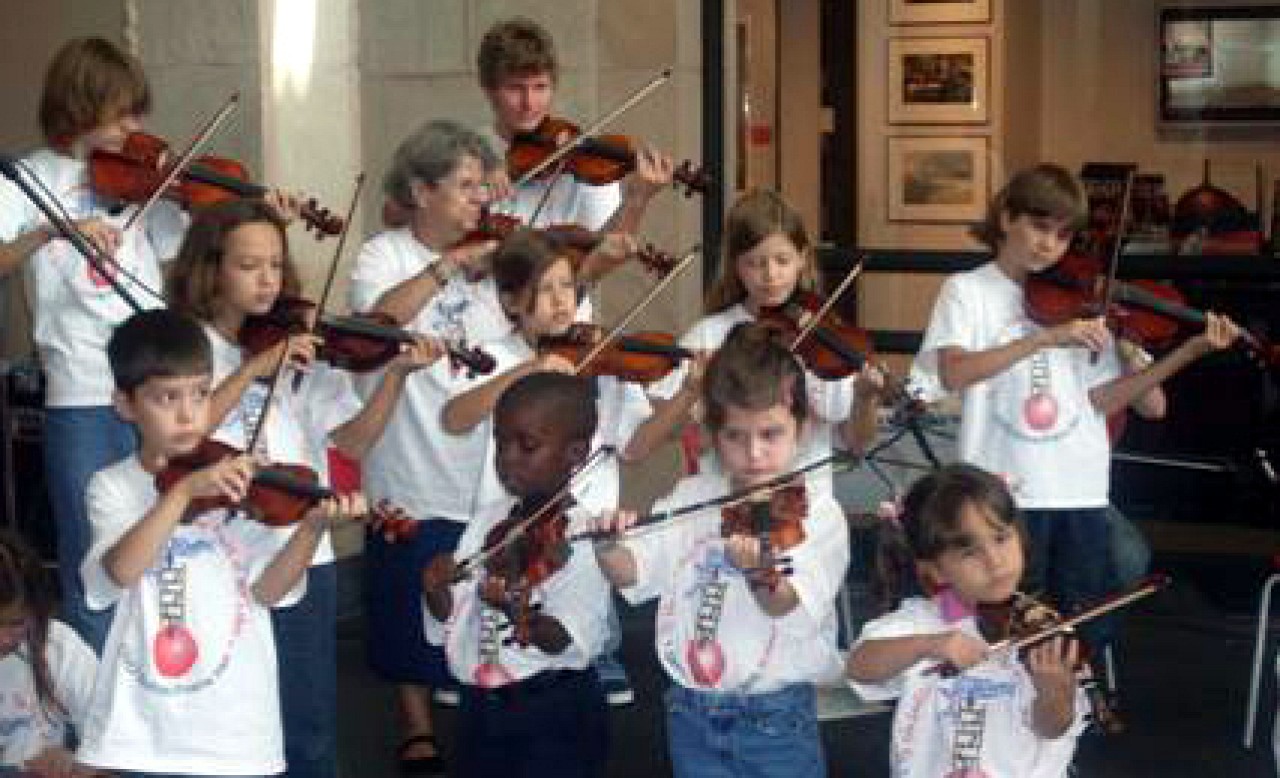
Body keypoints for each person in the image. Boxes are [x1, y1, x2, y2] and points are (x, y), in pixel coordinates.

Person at [909, 163, 1239, 648]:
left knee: (1080, 636)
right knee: (1006, 634)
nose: (1050, 246)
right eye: (1040, 227)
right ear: (1006, 218)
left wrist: (1186, 352)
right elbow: (954, 372)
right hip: (1002, 498)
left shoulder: (1084, 302)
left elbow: (1112, 402)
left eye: (1063, 236)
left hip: (1079, 490)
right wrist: (1043, 340)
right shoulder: (968, 291)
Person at [165, 198, 440, 778]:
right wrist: (252, 370)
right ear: (210, 270)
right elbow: (182, 438)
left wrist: (394, 378)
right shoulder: (182, 346)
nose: (268, 279)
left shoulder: (300, 349)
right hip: (219, 562)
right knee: (229, 727)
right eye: (248, 266)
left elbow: (355, 443)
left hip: (302, 554)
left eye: (274, 264)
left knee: (308, 727)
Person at [78, 308, 365, 777]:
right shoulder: (113, 487)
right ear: (125, 405)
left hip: (236, 724)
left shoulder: (238, 481)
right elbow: (119, 572)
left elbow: (268, 592)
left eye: (200, 393)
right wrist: (185, 493)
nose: (189, 414)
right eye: (166, 398)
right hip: (142, 728)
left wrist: (310, 532)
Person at [592, 323, 849, 777]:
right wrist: (608, 544)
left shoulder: (817, 514)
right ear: (711, 432)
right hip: (691, 712)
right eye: (735, 436)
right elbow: (631, 571)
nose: (753, 453)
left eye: (771, 434)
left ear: (801, 428)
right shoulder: (693, 497)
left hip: (776, 718)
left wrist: (760, 573)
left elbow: (785, 602)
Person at [0, 37, 183, 651]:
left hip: (156, 385)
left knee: (161, 542)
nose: (135, 128)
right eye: (122, 113)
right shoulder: (30, 178)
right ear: (80, 106)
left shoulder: (143, 181)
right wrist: (51, 229)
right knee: (91, 555)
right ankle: (98, 717)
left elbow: (180, 267)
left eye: (138, 113)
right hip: (80, 387)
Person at [347, 119, 507, 775]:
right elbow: (375, 324)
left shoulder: (496, 257)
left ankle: (485, 703)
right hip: (409, 463)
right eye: (464, 185)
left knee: (482, 599)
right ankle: (415, 724)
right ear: (420, 190)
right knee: (403, 602)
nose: (478, 198)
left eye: (481, 185)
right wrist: (446, 269)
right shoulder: (381, 255)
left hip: (486, 467)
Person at [440, 229, 649, 704]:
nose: (562, 301)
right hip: (506, 512)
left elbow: (637, 443)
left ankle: (592, 658)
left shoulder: (598, 355)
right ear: (511, 302)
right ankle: (484, 658)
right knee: (502, 592)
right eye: (546, 289)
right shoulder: (492, 353)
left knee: (572, 611)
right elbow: (454, 418)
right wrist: (527, 371)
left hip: (583, 512)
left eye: (569, 287)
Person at [632, 188, 884, 496]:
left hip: (807, 505)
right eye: (755, 263)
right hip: (722, 501)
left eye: (782, 260)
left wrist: (864, 399)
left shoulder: (824, 338)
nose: (771, 275)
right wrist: (691, 392)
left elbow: (856, 443)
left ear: (802, 259)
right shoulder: (709, 334)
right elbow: (655, 438)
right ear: (736, 266)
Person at [422, 371, 611, 777]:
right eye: (500, 444)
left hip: (551, 708)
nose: (507, 458)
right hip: (481, 701)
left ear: (576, 453)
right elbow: (453, 616)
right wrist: (437, 592)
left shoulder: (580, 534)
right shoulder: (488, 523)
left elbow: (565, 638)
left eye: (527, 447)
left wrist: (515, 611)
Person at [846, 463, 1088, 777]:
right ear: (935, 570)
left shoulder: (1042, 631)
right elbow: (859, 666)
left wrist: (1054, 691)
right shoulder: (922, 621)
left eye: (1001, 538)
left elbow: (1052, 728)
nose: (995, 561)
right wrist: (930, 644)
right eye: (970, 553)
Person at [475, 16, 673, 285]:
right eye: (515, 88)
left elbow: (599, 262)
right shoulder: (468, 152)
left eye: (540, 87)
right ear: (489, 90)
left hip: (566, 314)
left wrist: (638, 200)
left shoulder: (584, 160)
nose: (529, 103)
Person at [0, 531, 97, 776]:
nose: (3, 639)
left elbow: (114, 746)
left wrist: (79, 765)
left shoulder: (58, 647)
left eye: (16, 623)